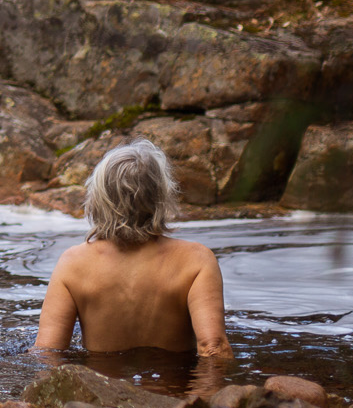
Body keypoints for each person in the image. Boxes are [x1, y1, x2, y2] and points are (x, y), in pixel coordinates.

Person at [34, 138, 231, 356]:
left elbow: (47, 353)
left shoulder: (73, 264)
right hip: (174, 378)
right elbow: (214, 347)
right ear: (161, 195)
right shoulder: (196, 260)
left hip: (100, 379)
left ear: (98, 199)